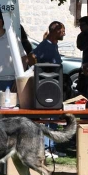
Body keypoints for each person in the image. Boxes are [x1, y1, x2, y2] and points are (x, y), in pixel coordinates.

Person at [34, 21, 67, 157]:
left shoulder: (53, 45)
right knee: (47, 118)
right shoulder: (44, 46)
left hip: (55, 87)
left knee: (54, 118)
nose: (64, 33)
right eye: (63, 30)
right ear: (56, 31)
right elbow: (31, 58)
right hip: (46, 88)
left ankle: (52, 147)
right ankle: (46, 148)